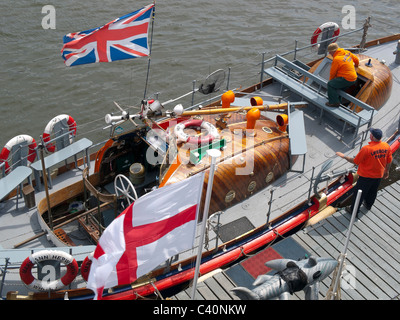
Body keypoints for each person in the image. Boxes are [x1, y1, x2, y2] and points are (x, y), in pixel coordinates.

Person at [336, 128, 392, 216]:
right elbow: (389, 160)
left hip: (366, 177)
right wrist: (387, 171)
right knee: (373, 191)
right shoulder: (386, 146)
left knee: (359, 194)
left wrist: (344, 156)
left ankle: (353, 211)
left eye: (371, 134)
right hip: (378, 176)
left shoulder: (367, 149)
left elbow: (355, 161)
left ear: (372, 137)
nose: (370, 135)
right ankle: (368, 205)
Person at [325, 43, 359, 107]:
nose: (329, 54)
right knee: (339, 88)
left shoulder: (336, 59)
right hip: (354, 78)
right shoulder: (347, 53)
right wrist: (356, 66)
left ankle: (333, 102)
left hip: (346, 78)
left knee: (330, 85)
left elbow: (333, 73)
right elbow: (356, 59)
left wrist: (331, 81)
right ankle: (338, 101)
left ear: (333, 51)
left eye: (330, 52)